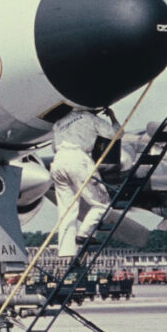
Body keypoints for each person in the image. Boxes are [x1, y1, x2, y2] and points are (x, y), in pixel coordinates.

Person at [50, 108, 119, 258]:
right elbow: (115, 134)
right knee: (102, 203)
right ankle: (84, 233)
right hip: (78, 159)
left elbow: (54, 146)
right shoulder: (90, 118)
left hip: (58, 161)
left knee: (66, 210)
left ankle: (66, 251)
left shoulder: (59, 122)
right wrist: (113, 117)